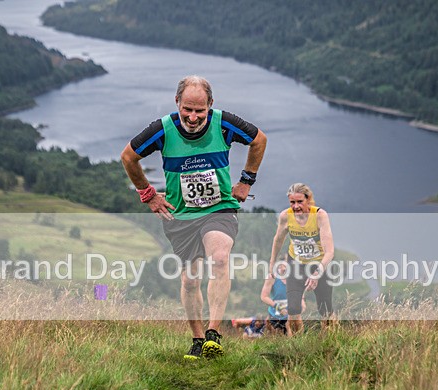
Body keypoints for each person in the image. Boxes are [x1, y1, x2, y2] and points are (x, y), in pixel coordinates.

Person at [121, 75, 267, 359]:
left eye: (200, 110)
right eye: (187, 109)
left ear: (210, 105)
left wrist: (246, 181)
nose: (192, 116)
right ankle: (198, 339)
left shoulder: (224, 123)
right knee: (190, 280)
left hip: (219, 207)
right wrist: (148, 194)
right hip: (181, 214)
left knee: (220, 258)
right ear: (177, 102)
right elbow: (128, 157)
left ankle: (214, 335)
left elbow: (259, 140)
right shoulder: (163, 129)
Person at [268, 183, 335, 335]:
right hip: (296, 264)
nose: (296, 206)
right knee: (293, 308)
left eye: (300, 202)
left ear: (308, 199)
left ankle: (331, 340)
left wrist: (317, 273)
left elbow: (329, 252)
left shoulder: (320, 215)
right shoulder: (286, 216)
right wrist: (272, 264)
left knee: (325, 308)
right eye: (292, 202)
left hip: (321, 264)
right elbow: (277, 240)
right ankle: (297, 345)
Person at [259, 260, 305, 336]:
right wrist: (278, 308)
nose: (283, 268)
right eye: (280, 266)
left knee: (298, 333)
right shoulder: (272, 278)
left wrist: (302, 302)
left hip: (292, 313)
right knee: (280, 339)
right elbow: (264, 297)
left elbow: (300, 291)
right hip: (276, 314)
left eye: (285, 266)